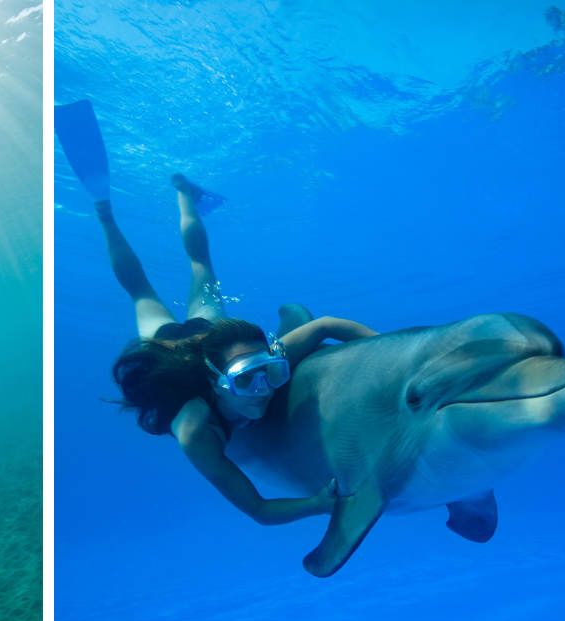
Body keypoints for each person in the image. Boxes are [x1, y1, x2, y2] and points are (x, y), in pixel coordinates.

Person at [99, 174, 377, 525]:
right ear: (217, 382)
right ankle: (104, 214)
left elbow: (326, 324)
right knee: (140, 290)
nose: (263, 391)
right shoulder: (195, 430)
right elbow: (258, 509)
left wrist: (387, 348)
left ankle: (185, 194)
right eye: (247, 381)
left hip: (210, 335)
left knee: (202, 264)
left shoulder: (259, 364)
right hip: (166, 346)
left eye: (271, 374)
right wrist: (319, 504)